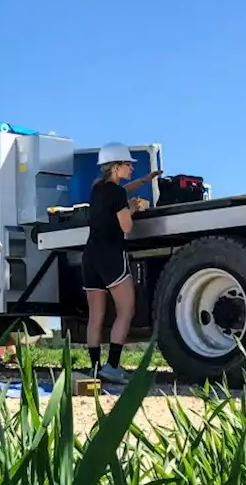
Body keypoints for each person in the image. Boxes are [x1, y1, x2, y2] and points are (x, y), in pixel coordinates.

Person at [82, 142, 161, 384]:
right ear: (116, 167)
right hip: (111, 257)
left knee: (96, 316)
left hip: (91, 257)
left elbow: (121, 191)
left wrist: (146, 180)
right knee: (126, 310)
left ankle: (95, 368)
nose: (131, 169)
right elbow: (126, 226)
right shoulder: (116, 194)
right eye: (127, 165)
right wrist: (133, 209)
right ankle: (113, 366)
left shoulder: (98, 190)